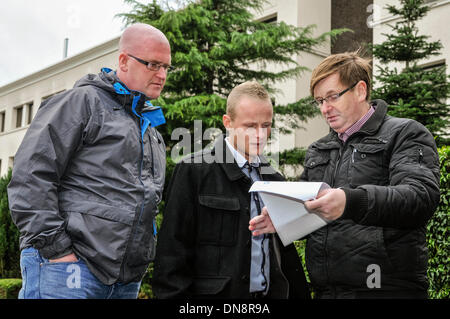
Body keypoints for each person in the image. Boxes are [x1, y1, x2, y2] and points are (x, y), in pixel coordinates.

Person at [249, 52, 440, 299]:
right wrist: (283, 220)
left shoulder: (405, 133)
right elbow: (309, 210)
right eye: (319, 101)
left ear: (361, 90)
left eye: (332, 97)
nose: (325, 109)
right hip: (326, 291)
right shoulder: (319, 149)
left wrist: (350, 201)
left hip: (385, 289)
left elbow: (420, 197)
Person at [8, 23, 171, 299]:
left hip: (124, 280)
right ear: (124, 61)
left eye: (167, 67)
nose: (162, 74)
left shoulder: (151, 130)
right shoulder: (81, 102)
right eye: (153, 64)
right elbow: (30, 177)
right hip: (67, 270)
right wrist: (57, 250)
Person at [152, 81, 310, 299]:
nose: (260, 135)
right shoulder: (193, 171)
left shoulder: (274, 179)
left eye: (266, 125)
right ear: (228, 122)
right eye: (250, 126)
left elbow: (286, 257)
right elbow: (171, 256)